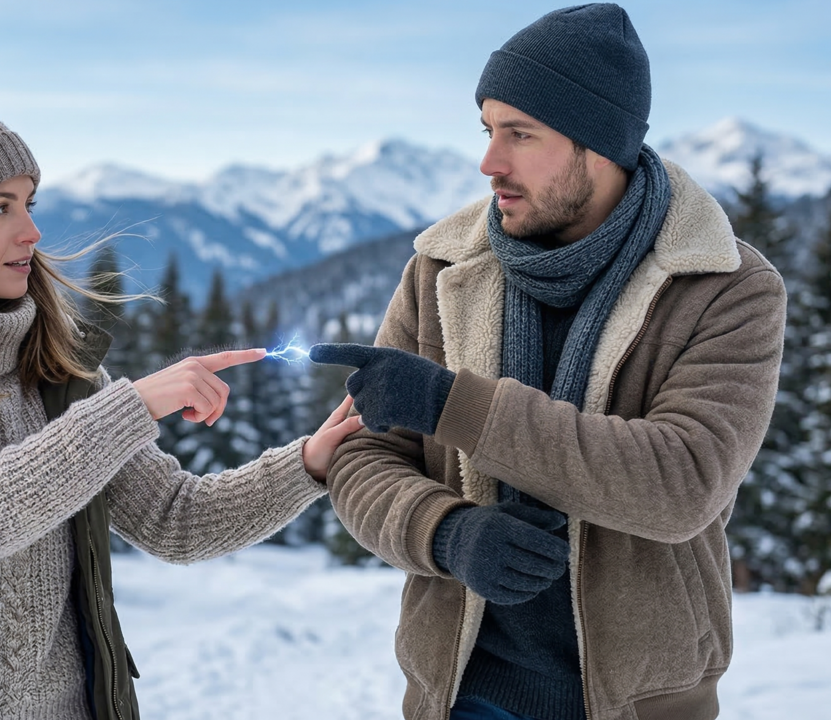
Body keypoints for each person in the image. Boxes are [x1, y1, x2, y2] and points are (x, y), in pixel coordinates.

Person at [0, 91, 362, 720]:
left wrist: (308, 465)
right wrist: (132, 406)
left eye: (29, 203)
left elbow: (176, 520)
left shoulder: (57, 367)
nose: (30, 231)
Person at [310, 5, 786, 720]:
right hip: (460, 693)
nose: (489, 162)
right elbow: (360, 457)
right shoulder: (440, 269)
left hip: (642, 702)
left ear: (599, 147)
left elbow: (683, 481)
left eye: (520, 135)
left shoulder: (725, 287)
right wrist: (444, 531)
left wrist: (451, 406)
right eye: (487, 130)